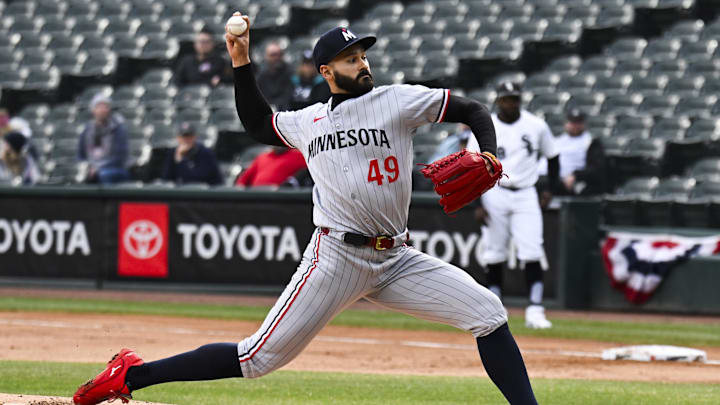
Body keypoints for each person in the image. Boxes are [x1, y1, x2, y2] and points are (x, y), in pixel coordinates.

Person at [73, 16, 539, 405]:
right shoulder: (308, 121)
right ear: (327, 71)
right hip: (337, 257)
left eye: (363, 55)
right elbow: (258, 123)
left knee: (489, 311)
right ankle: (131, 375)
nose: (363, 63)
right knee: (257, 359)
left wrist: (490, 153)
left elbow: (474, 109)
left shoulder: (397, 101)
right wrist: (240, 59)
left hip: (396, 258)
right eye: (351, 58)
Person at [466, 81, 560, 330]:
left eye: (515, 99)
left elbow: (553, 158)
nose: (512, 103)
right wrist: (476, 201)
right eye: (507, 99)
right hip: (493, 191)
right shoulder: (485, 126)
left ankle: (535, 309)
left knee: (532, 250)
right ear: (498, 100)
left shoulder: (536, 125)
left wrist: (550, 189)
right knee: (494, 252)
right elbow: (471, 164)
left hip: (526, 192)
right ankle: (498, 306)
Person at [77, 94, 130, 184]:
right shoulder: (87, 130)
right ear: (93, 110)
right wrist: (88, 167)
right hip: (92, 168)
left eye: (105, 107)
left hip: (114, 169)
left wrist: (98, 168)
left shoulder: (118, 129)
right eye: (99, 107)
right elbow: (81, 155)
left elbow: (119, 158)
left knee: (103, 175)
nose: (102, 110)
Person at [553, 108, 607, 196]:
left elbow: (596, 169)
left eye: (578, 122)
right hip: (552, 178)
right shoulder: (557, 141)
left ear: (584, 124)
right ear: (566, 123)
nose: (575, 125)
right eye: (572, 122)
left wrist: (576, 176)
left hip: (573, 182)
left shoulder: (591, 142)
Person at [235, 146, 307, 187]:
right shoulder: (262, 157)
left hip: (280, 196)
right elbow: (244, 178)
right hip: (256, 195)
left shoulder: (299, 156)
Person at [255, 41, 293, 110]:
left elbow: (289, 97)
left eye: (280, 54)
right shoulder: (261, 77)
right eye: (273, 55)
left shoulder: (290, 74)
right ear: (266, 57)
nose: (277, 58)